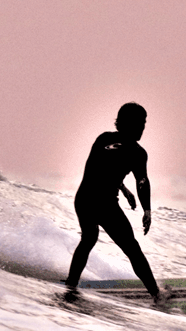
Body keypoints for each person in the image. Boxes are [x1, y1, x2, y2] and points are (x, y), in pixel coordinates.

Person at [64, 102, 165, 303]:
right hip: (104, 205)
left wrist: (124, 189)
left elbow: (102, 168)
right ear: (127, 123)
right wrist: (147, 210)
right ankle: (157, 295)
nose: (143, 127)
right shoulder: (137, 152)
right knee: (132, 249)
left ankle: (70, 285)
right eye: (140, 123)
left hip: (83, 199)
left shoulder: (104, 139)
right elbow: (142, 181)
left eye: (145, 123)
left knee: (88, 238)